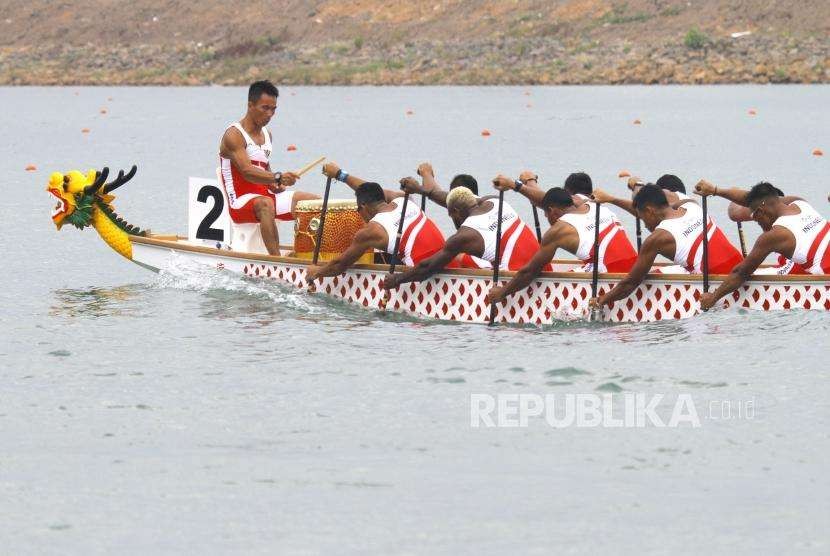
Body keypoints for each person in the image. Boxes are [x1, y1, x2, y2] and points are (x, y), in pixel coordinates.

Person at [591, 184, 743, 310]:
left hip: (723, 288)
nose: (644, 225)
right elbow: (664, 197)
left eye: (642, 218)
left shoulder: (658, 238)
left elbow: (631, 283)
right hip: (741, 271)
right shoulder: (692, 205)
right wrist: (612, 198)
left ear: (649, 211)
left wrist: (602, 300)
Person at [488, 186, 637, 304]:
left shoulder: (559, 230)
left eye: (546, 215)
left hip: (612, 275)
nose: (547, 219)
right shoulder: (597, 205)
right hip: (635, 267)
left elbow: (529, 272)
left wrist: (502, 292)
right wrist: (526, 183)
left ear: (552, 211)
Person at [218, 80, 319, 254]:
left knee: (313, 202)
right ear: (250, 105)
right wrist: (277, 177)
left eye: (273, 109)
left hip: (265, 197)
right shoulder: (234, 134)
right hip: (240, 203)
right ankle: (277, 262)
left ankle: (305, 253)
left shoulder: (267, 134)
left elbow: (266, 172)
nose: (270, 114)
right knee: (265, 204)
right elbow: (247, 172)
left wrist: (276, 185)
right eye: (265, 108)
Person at [698, 182, 830, 310]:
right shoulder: (800, 202)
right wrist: (715, 190)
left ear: (760, 211)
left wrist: (713, 298)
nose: (760, 225)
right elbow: (755, 198)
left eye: (756, 220)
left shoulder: (776, 234)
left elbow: (740, 273)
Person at [305, 163, 447, 282]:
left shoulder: (372, 230)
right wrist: (340, 175)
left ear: (363, 206)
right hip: (447, 260)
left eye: (358, 209)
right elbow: (372, 190)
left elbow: (339, 265)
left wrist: (317, 272)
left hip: (424, 275)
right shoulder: (405, 200)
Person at [382, 186, 541, 291]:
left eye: (451, 215)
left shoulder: (465, 235)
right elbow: (458, 198)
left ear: (456, 212)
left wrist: (397, 280)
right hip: (541, 266)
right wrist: (419, 189)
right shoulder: (495, 200)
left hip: (518, 281)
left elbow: (427, 269)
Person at [698, 179, 806, 275]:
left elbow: (735, 212)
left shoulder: (779, 231)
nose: (757, 221)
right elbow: (735, 212)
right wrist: (717, 191)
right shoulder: (794, 209)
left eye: (757, 217)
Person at [399, 162, 484, 208]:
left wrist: (419, 188)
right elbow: (438, 193)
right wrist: (427, 174)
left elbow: (436, 194)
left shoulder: (462, 235)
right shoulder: (484, 204)